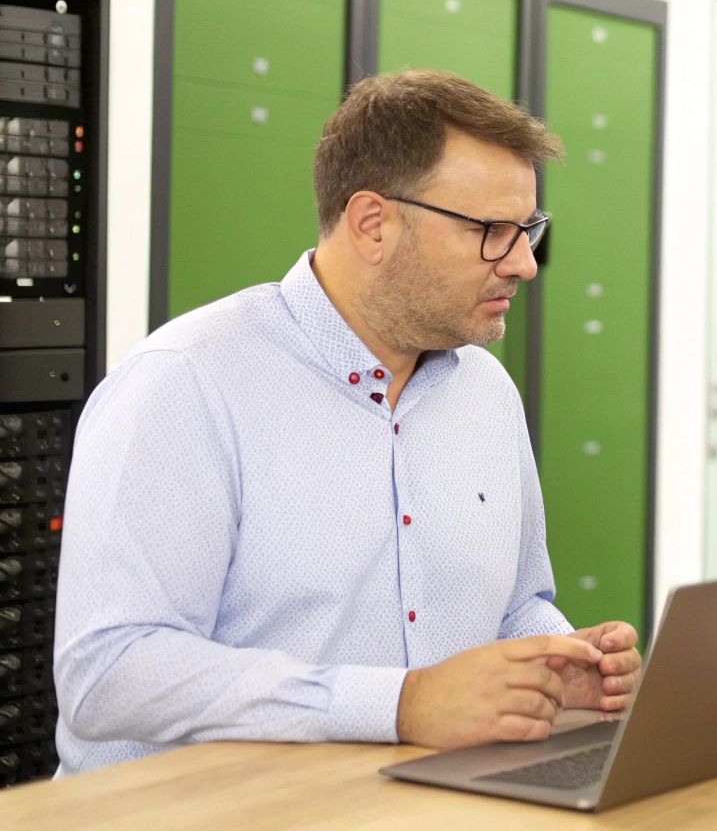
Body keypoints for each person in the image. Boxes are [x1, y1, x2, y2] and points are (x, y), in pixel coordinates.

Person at [53, 70, 641, 774]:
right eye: (493, 232)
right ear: (373, 224)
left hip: (409, 801)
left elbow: (517, 605)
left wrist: (562, 657)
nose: (524, 264)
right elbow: (110, 672)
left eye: (528, 231)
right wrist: (400, 704)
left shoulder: (486, 391)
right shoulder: (186, 383)